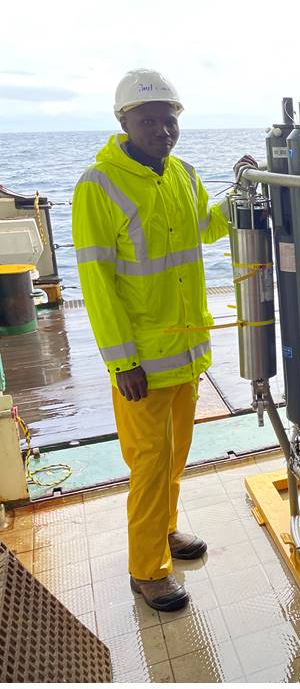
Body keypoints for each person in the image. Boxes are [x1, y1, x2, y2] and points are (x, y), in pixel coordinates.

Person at [72, 69, 258, 611]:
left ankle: (166, 532)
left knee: (173, 458)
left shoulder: (182, 174)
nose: (161, 130)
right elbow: (96, 281)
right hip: (142, 365)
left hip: (185, 352)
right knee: (150, 463)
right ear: (124, 122)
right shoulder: (98, 185)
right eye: (148, 120)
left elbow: (205, 226)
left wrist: (241, 187)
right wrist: (121, 361)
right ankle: (147, 570)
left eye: (169, 120)